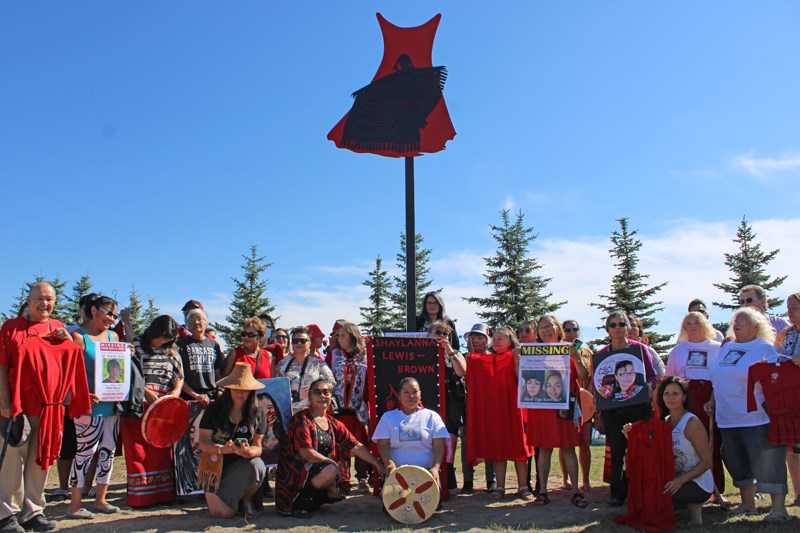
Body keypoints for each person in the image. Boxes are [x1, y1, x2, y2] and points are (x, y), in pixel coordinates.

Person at [0, 281, 90, 533]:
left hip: (50, 409)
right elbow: (1, 366)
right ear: (29, 301)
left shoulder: (58, 328)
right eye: (40, 298)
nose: (45, 303)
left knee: (40, 461)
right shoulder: (11, 328)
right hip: (18, 407)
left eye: (50, 299)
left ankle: (33, 510)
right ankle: (7, 513)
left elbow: (74, 355)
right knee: (11, 462)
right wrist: (4, 401)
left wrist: (68, 340)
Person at [708, 307, 789, 520]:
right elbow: (718, 378)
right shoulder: (727, 347)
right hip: (727, 418)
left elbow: (776, 381)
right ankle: (747, 503)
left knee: (768, 461)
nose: (737, 324)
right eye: (735, 321)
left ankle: (779, 509)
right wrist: (712, 400)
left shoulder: (766, 348)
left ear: (757, 326)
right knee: (736, 461)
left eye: (743, 320)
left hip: (757, 418)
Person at [275, 378, 385, 518]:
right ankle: (299, 505)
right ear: (310, 397)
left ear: (331, 397)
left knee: (337, 491)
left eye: (326, 392)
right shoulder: (301, 419)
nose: (322, 396)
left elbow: (355, 445)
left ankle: (312, 502)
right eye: (317, 392)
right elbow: (305, 452)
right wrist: (332, 464)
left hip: (321, 470)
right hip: (296, 477)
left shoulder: (333, 423)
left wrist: (377, 464)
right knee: (331, 470)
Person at [451, 326, 533, 501]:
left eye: (499, 339)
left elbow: (523, 379)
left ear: (509, 342)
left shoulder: (517, 356)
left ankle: (523, 487)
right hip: (497, 410)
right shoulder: (485, 359)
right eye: (494, 339)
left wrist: (518, 359)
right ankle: (500, 486)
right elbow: (465, 370)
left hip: (515, 409)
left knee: (520, 448)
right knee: (498, 449)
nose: (495, 342)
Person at [524, 316, 589, 507]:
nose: (546, 330)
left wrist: (576, 358)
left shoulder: (569, 348)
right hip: (541, 408)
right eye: (541, 327)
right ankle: (542, 492)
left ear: (558, 328)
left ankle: (576, 492)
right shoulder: (533, 352)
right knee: (543, 449)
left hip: (564, 407)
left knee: (568, 448)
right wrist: (519, 359)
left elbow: (584, 377)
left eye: (549, 326)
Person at [67, 294, 123, 519]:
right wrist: (80, 394)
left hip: (112, 405)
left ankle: (101, 500)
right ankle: (74, 504)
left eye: (115, 315)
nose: (112, 319)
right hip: (87, 407)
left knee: (107, 453)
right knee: (84, 453)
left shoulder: (114, 337)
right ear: (93, 310)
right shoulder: (78, 337)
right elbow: (68, 373)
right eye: (109, 313)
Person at [664, 311, 727, 506]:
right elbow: (669, 378)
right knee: (686, 444)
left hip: (709, 397)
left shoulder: (717, 348)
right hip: (685, 397)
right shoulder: (678, 350)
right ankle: (687, 486)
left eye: (696, 323)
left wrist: (713, 398)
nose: (692, 327)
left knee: (711, 442)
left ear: (705, 325)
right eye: (688, 324)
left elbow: (721, 377)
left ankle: (717, 489)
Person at [596, 311, 657, 507]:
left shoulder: (640, 349)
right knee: (617, 451)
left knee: (641, 450)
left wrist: (648, 391)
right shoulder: (602, 354)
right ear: (608, 330)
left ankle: (644, 490)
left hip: (639, 408)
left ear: (628, 327)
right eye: (613, 325)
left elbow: (652, 377)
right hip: (613, 410)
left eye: (621, 324)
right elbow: (598, 385)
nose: (618, 328)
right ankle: (618, 492)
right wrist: (599, 411)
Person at [122, 315, 184, 507]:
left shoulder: (172, 352)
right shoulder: (137, 347)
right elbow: (130, 373)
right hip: (139, 405)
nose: (164, 340)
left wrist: (175, 392)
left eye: (169, 337)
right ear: (154, 331)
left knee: (162, 452)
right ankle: (141, 497)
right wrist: (146, 392)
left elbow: (179, 376)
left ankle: (163, 495)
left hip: (164, 407)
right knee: (138, 452)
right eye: (162, 336)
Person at [197, 363, 267, 519]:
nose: (240, 394)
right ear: (229, 389)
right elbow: (203, 442)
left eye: (244, 390)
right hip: (215, 465)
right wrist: (222, 449)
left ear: (251, 392)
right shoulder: (214, 409)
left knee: (258, 465)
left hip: (241, 463)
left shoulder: (258, 412)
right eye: (236, 389)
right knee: (223, 514)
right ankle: (218, 495)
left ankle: (245, 500)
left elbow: (258, 446)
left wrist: (249, 452)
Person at [176, 308, 224, 496]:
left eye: (200, 319)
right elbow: (178, 376)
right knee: (188, 446)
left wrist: (219, 389)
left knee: (211, 443)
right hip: (189, 400)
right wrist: (194, 394)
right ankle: (188, 486)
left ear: (206, 322)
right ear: (186, 324)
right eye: (192, 319)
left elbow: (219, 372)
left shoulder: (214, 345)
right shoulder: (181, 345)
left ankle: (210, 485)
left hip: (211, 400)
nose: (197, 322)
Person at [654, 377, 712, 525]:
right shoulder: (665, 421)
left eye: (675, 393)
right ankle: (689, 509)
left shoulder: (692, 423)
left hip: (698, 483)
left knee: (657, 496)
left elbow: (707, 462)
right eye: (666, 393)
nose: (670, 398)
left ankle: (693, 506)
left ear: (684, 397)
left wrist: (680, 481)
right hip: (675, 480)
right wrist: (631, 434)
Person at [374, 378, 449, 488]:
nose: (411, 396)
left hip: (426, 474)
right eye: (406, 392)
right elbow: (382, 445)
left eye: (415, 392)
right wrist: (390, 464)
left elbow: (439, 445)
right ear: (399, 395)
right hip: (397, 474)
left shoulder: (432, 416)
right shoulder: (388, 417)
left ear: (420, 394)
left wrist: (435, 468)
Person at [328, 322, 372, 491]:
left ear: (353, 336)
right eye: (338, 336)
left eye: (343, 336)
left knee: (360, 442)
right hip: (338, 407)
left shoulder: (365, 355)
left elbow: (370, 378)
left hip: (357, 407)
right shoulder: (334, 355)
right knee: (340, 444)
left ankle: (362, 477)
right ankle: (343, 478)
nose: (339, 339)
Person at [427, 319, 466, 491]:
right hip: (427, 403)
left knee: (448, 441)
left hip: (449, 403)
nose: (442, 336)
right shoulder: (420, 353)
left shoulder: (455, 353)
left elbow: (462, 371)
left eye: (445, 334)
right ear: (428, 335)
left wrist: (449, 351)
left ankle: (448, 481)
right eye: (438, 333)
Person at [458, 323, 494, 493]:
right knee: (466, 442)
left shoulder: (494, 358)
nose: (477, 341)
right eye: (474, 337)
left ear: (487, 341)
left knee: (490, 442)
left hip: (488, 407)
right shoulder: (464, 358)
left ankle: (491, 479)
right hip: (467, 407)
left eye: (480, 337)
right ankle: (468, 480)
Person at [561, 319, 593, 492]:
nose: (571, 332)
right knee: (565, 443)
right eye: (567, 329)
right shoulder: (558, 349)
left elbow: (590, 376)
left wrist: (587, 397)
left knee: (585, 442)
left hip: (584, 400)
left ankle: (586, 480)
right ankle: (565, 479)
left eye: (575, 329)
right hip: (565, 400)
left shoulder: (587, 351)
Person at [775, 292, 800, 505]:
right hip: (790, 397)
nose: (790, 312)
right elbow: (778, 355)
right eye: (788, 308)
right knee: (792, 447)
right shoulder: (787, 334)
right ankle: (799, 494)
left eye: (794, 308)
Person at [276, 326, 335, 415]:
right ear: (292, 343)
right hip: (288, 412)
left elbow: (332, 382)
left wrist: (316, 389)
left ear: (310, 343)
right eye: (295, 341)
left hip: (313, 411)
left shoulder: (318, 363)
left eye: (303, 341)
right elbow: (276, 387)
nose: (299, 343)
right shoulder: (282, 364)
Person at [627, 314, 665, 380]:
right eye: (627, 325)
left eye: (633, 325)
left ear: (639, 331)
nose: (630, 329)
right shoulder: (614, 352)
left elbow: (661, 375)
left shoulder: (649, 351)